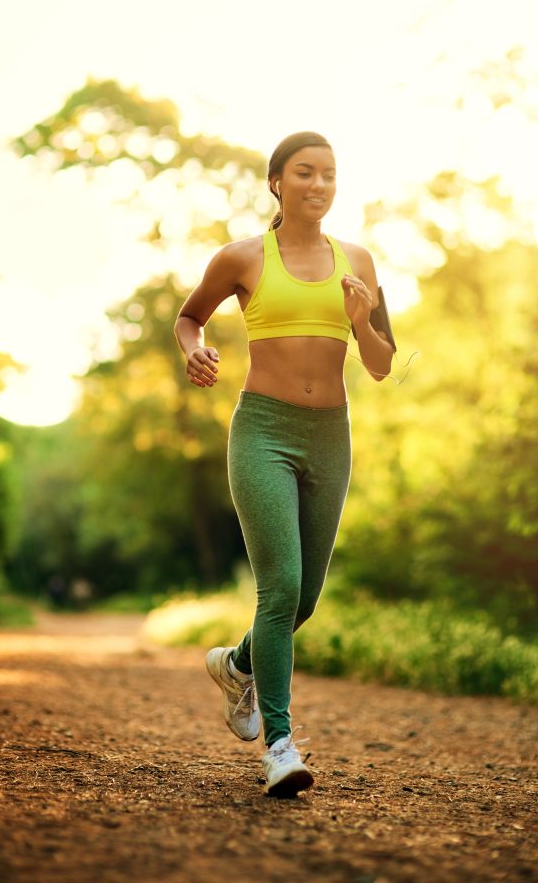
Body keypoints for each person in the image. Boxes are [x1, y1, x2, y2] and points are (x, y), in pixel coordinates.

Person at [173, 131, 394, 798]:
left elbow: (381, 364)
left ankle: (236, 665)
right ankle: (278, 745)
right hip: (263, 431)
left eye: (328, 175)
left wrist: (360, 321)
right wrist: (193, 349)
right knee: (280, 588)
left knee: (305, 598)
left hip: (330, 435)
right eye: (304, 173)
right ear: (276, 182)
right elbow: (189, 318)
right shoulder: (242, 258)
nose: (318, 185)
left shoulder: (357, 260)